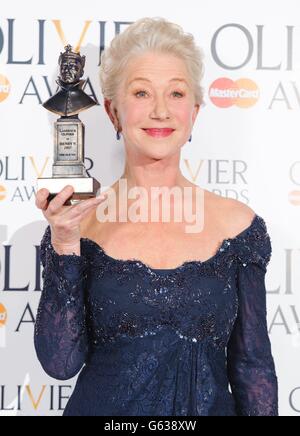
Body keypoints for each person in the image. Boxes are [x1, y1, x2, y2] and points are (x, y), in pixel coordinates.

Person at [34, 17, 278, 416]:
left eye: (176, 93)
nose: (161, 111)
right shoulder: (79, 223)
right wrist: (63, 242)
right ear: (113, 112)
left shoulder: (239, 227)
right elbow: (59, 364)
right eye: (142, 93)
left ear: (195, 113)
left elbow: (253, 368)